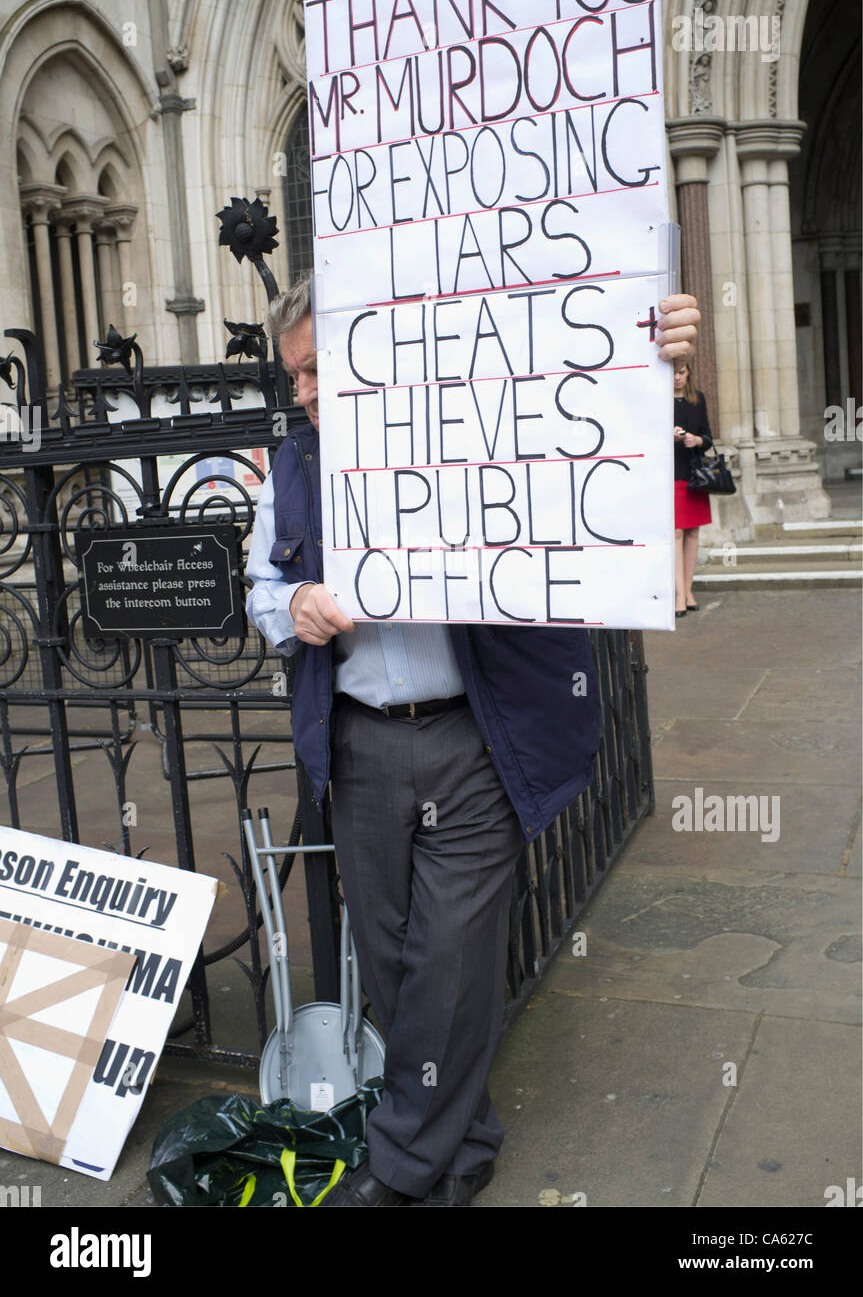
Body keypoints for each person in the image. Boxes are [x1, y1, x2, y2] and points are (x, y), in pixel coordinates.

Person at [244, 279, 700, 1206]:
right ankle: (467, 1142)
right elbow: (258, 589)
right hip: (361, 747)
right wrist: (292, 605)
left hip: (473, 742)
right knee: (394, 958)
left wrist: (654, 357)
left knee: (450, 958)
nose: (300, 392)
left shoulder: (482, 431)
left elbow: (596, 450)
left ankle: (402, 1169)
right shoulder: (290, 466)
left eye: (315, 370)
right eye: (292, 377)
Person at [672, 362, 713, 617]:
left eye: (682, 372)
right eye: (674, 373)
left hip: (694, 474)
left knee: (693, 533)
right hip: (671, 472)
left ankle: (688, 590)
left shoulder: (697, 399)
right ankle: (678, 594)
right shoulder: (659, 400)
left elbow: (708, 438)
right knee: (676, 533)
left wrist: (697, 440)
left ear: (689, 374)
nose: (677, 377)